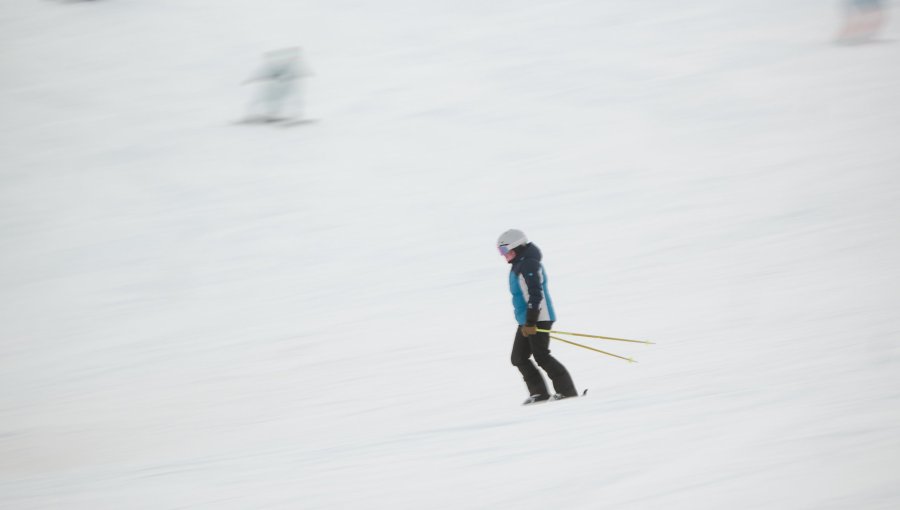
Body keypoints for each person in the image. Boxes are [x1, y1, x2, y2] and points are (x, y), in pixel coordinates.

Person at [497, 229, 578, 405]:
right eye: (500, 251)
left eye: (504, 250)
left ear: (516, 247)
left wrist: (531, 321)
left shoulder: (528, 264)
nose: (502, 255)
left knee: (541, 356)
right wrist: (526, 322)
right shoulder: (519, 264)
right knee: (518, 358)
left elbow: (535, 294)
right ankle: (539, 394)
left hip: (538, 317)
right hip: (526, 320)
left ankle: (567, 392)